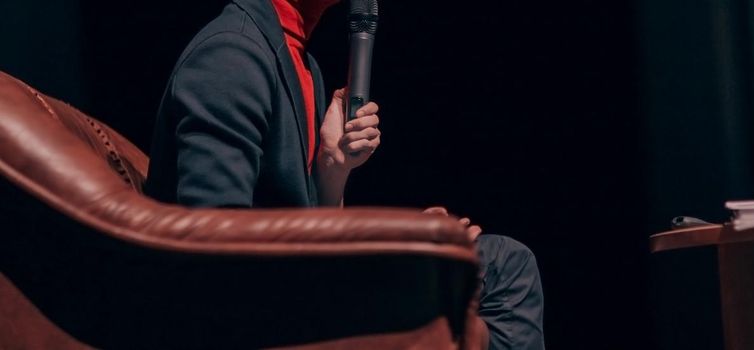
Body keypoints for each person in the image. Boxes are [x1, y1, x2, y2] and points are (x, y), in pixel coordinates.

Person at [143, 0, 544, 349]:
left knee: (502, 263)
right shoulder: (231, 57)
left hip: (295, 291)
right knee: (505, 268)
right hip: (257, 317)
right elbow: (217, 255)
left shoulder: (300, 60)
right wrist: (393, 257)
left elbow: (308, 226)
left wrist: (332, 170)